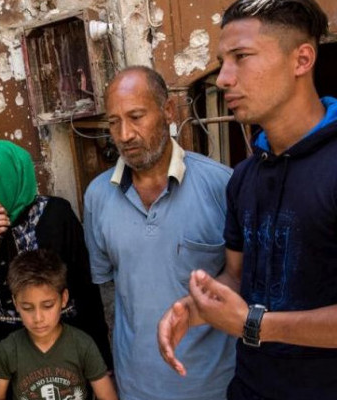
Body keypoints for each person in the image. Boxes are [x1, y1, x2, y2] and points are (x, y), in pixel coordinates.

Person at [158, 1, 337, 399]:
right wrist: (195, 309)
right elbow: (238, 276)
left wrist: (255, 324)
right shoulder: (246, 175)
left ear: (301, 59)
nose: (224, 79)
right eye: (221, 61)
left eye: (241, 58)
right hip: (250, 388)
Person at [84, 66, 235, 399]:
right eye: (113, 122)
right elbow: (108, 292)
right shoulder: (97, 196)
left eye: (136, 116)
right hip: (136, 385)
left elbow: (243, 280)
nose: (124, 134)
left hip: (215, 386)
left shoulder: (222, 185)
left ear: (168, 111)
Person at [0, 139, 112, 394]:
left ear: (8, 183)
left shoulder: (57, 215)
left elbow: (86, 291)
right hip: (4, 356)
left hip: (62, 350)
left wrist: (103, 363)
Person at [0, 249, 117, 400]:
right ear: (16, 303)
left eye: (47, 305)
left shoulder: (83, 345)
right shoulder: (8, 351)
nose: (38, 318)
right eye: (27, 308)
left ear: (63, 299)